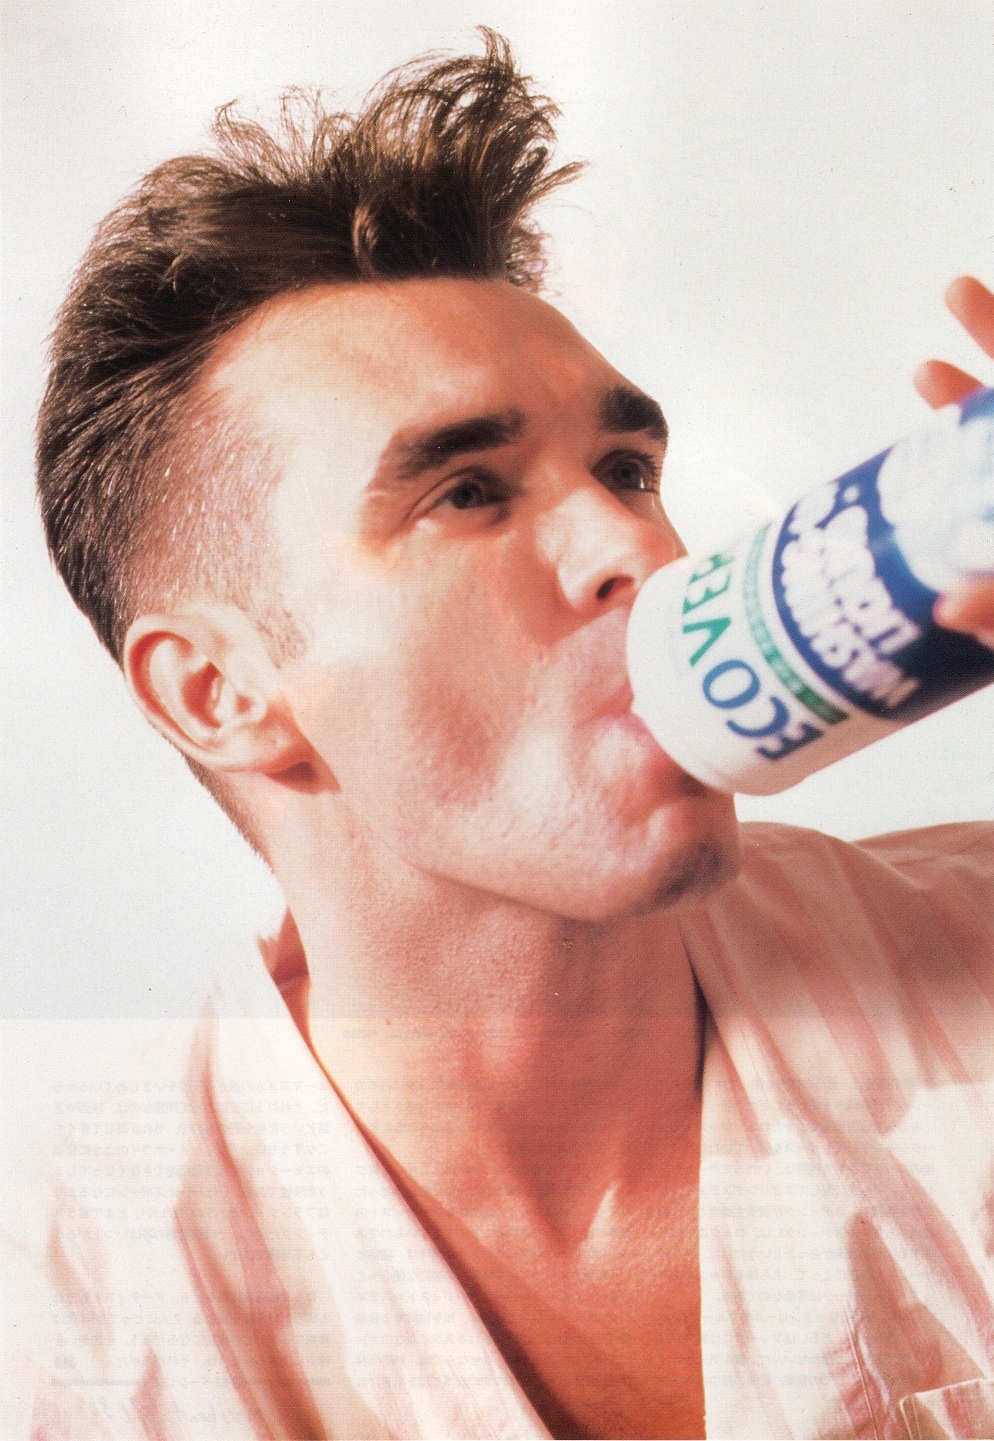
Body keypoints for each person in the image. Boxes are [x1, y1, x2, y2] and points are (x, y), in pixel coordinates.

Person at [8, 31, 994, 1441]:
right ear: (217, 692)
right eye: (468, 492)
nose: (636, 547)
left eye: (625, 468)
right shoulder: (75, 1330)